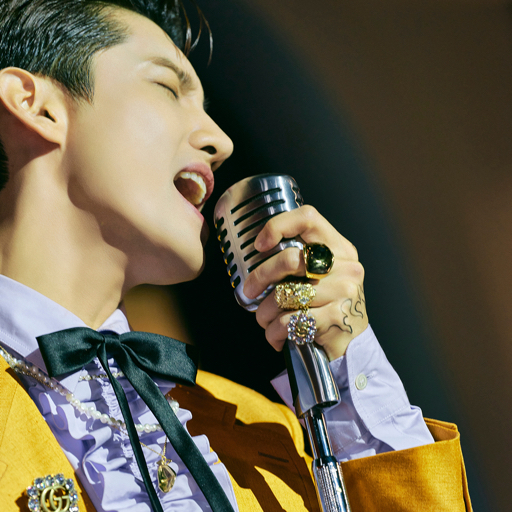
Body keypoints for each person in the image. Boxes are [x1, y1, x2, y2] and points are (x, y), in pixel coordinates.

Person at [0, 0, 471, 511]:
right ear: (35, 105)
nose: (220, 141)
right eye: (167, 87)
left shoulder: (262, 433)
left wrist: (347, 367)